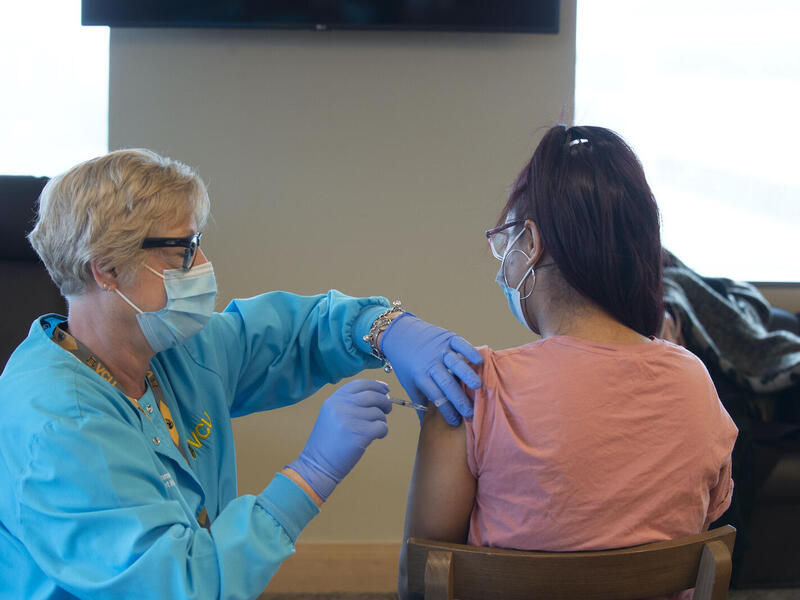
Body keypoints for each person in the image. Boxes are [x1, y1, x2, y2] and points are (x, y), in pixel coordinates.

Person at [0, 148, 483, 600]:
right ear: (105, 269)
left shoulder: (168, 351)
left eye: (198, 244)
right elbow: (184, 585)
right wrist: (309, 476)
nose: (204, 266)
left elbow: (294, 334)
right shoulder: (60, 427)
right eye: (181, 251)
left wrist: (382, 328)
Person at [398, 125, 738, 599]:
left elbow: (420, 581)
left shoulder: (468, 387)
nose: (502, 266)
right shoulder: (695, 384)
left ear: (531, 244)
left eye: (506, 242)